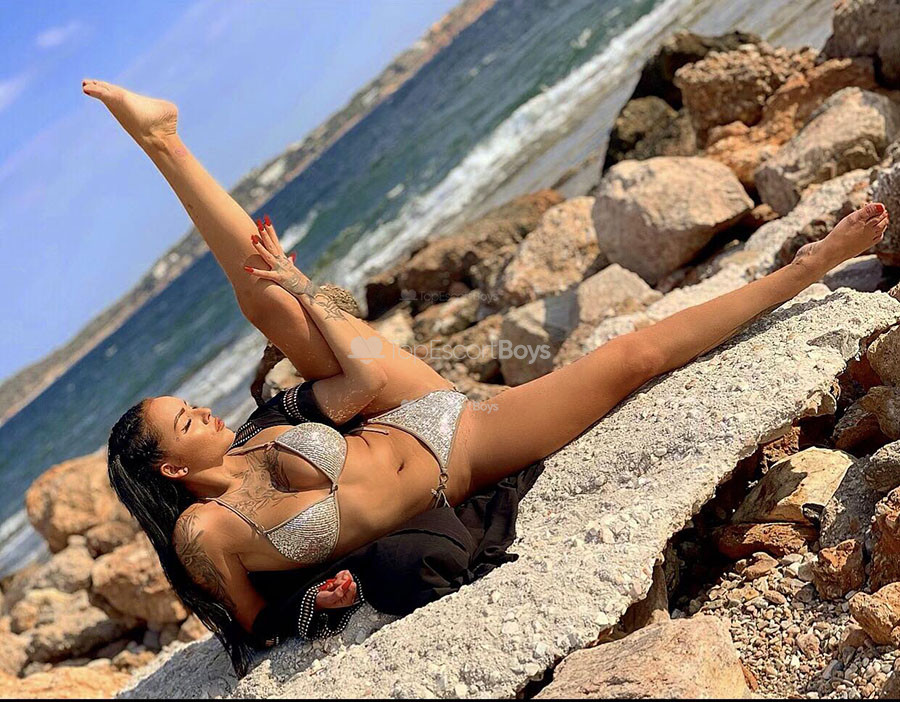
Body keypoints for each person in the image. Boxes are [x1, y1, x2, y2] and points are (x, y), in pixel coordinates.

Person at [86, 79, 890, 674]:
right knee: (632, 361)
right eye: (186, 421)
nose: (204, 412)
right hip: (463, 449)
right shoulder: (204, 536)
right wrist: (315, 606)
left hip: (401, 405)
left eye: (191, 403)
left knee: (276, 307)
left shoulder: (264, 433)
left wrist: (301, 291)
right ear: (171, 469)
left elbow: (362, 379)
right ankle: (807, 269)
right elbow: (255, 624)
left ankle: (165, 143)